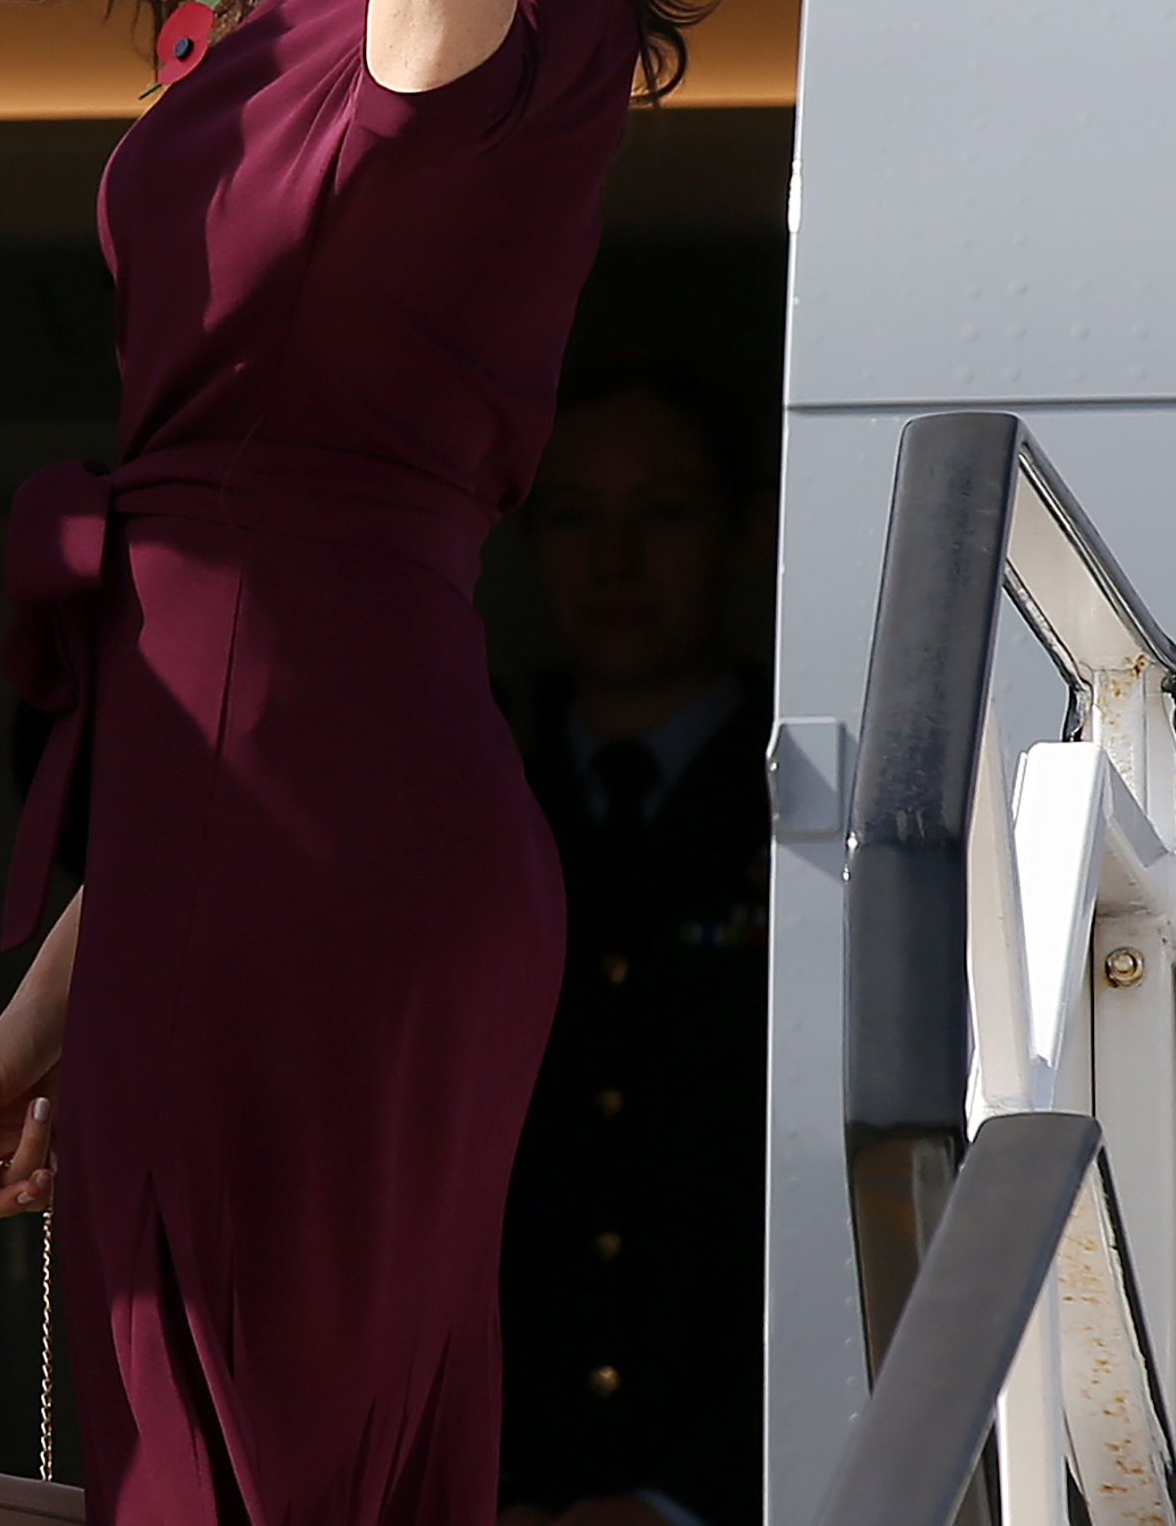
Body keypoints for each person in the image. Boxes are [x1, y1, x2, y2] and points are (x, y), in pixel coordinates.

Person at [0, 0, 710, 1524]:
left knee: (259, 1459)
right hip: (205, 821)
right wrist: (60, 979)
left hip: (338, 826)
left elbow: (422, 80)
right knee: (195, 1451)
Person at [497, 365, 773, 1526]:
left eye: (658, 511)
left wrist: (685, 1496)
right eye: (570, 515)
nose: (613, 562)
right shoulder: (457, 797)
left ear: (739, 533)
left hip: (749, 1476)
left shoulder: (821, 796)